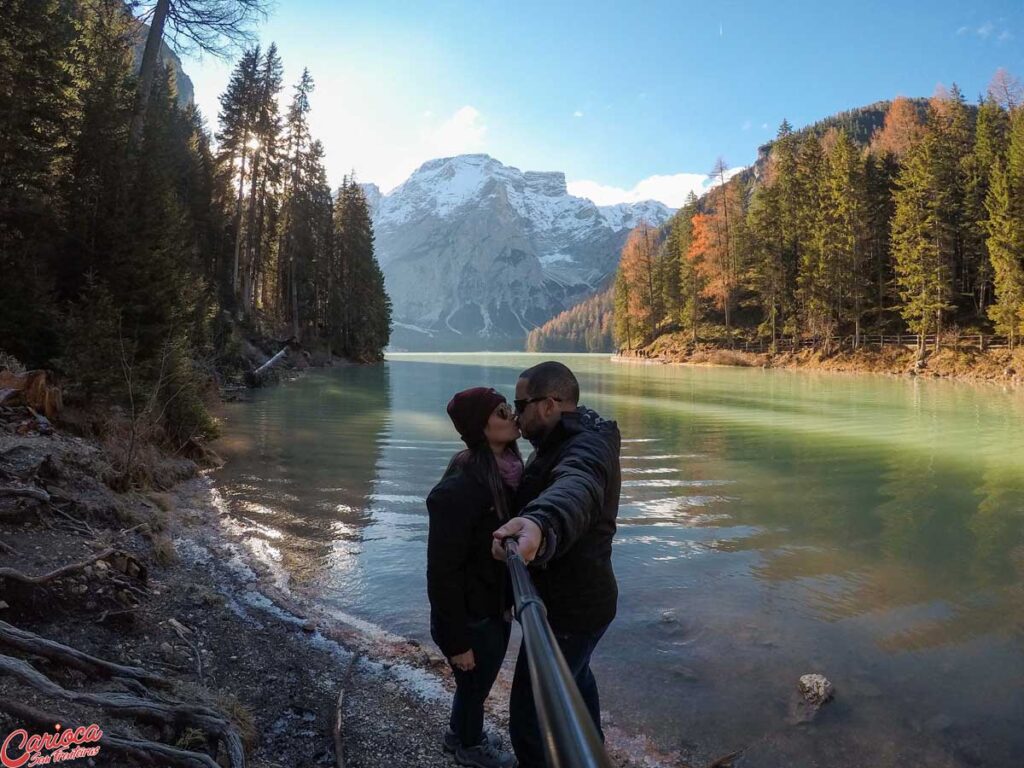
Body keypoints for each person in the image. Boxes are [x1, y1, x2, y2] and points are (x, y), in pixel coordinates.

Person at [491, 361, 620, 768]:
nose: (515, 416)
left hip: (572, 608)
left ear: (548, 405)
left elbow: (576, 485)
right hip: (579, 600)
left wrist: (540, 524)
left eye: (520, 405)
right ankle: (589, 754)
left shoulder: (584, 449)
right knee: (577, 681)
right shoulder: (560, 442)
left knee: (532, 716)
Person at [426, 386, 523, 768]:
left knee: (472, 686)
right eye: (502, 412)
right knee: (473, 686)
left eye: (511, 408)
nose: (513, 416)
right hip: (469, 616)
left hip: (490, 606)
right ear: (482, 428)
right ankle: (469, 747)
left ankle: (459, 734)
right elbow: (442, 572)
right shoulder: (459, 490)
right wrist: (457, 642)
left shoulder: (509, 475)